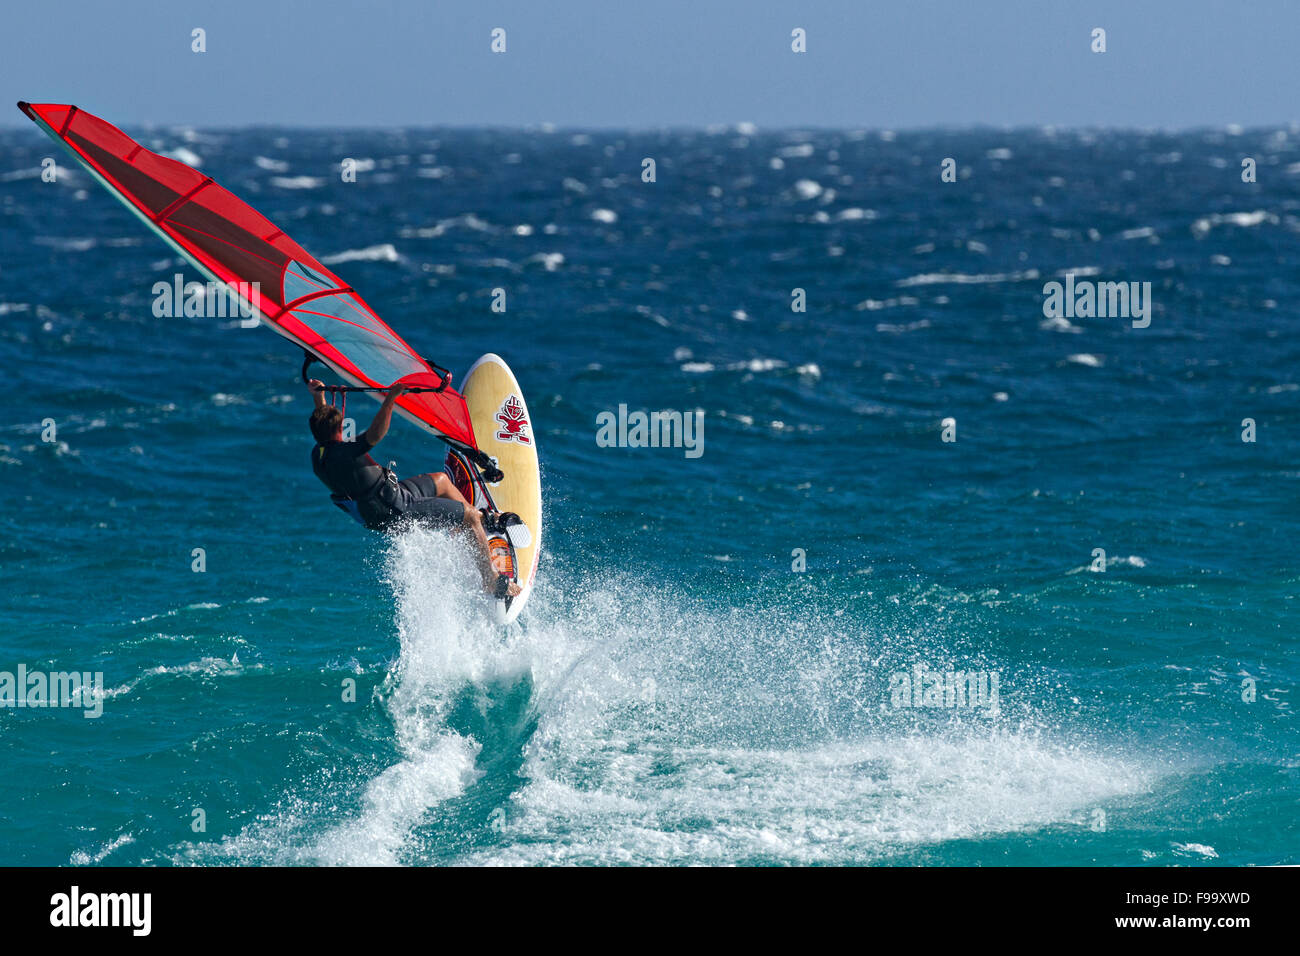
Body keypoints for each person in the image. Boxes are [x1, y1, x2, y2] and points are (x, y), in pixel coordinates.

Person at [306, 378, 520, 597]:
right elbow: (375, 434)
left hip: (392, 497)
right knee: (470, 516)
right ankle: (491, 579)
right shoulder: (344, 453)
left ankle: (469, 533)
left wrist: (318, 396)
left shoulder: (320, 454)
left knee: (442, 481)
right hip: (395, 511)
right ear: (337, 431)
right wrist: (391, 398)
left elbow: (325, 428)